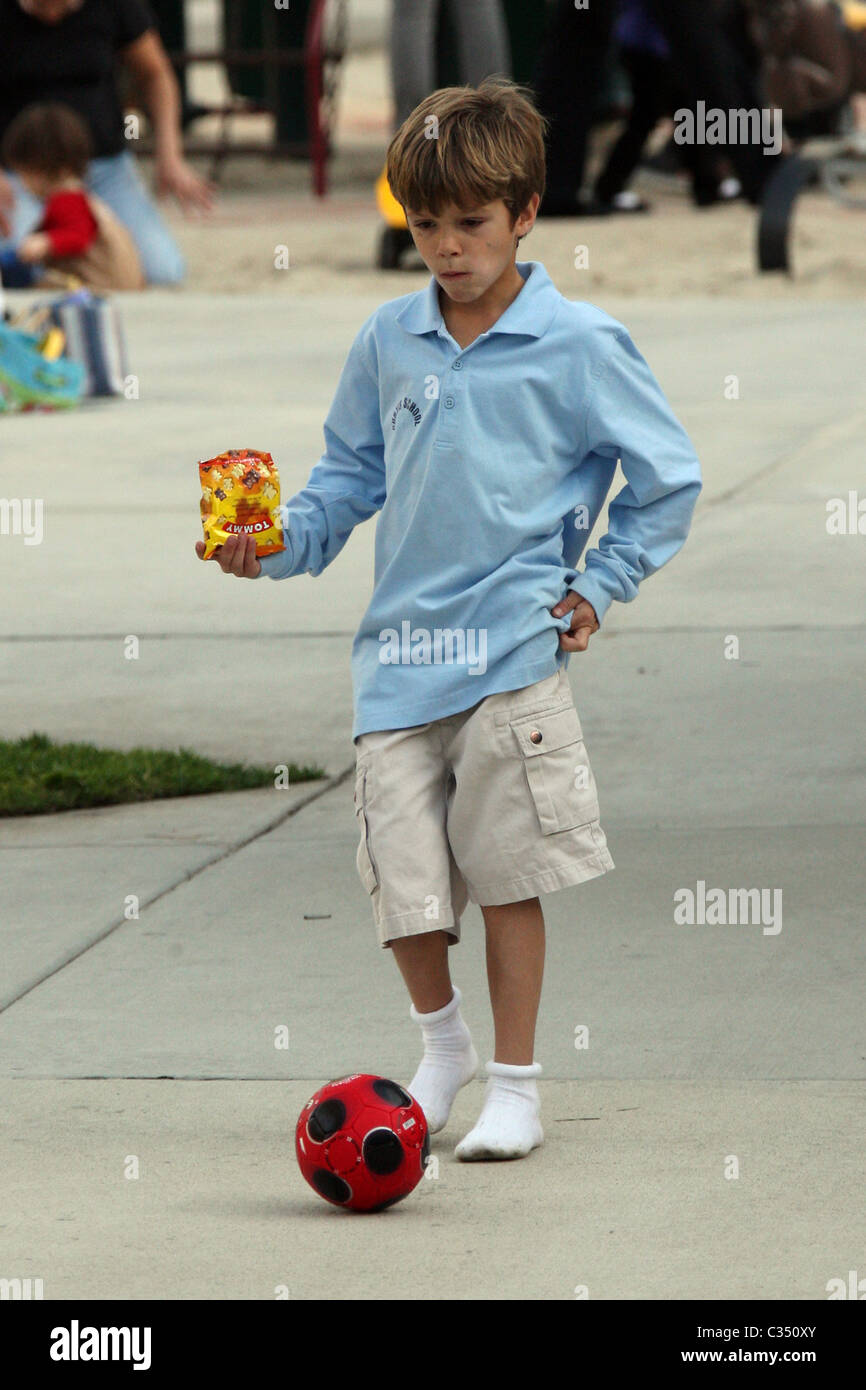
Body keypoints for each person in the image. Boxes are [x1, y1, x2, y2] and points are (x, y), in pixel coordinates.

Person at [196, 79, 702, 1161]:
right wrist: (275, 543)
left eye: (470, 222)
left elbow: (666, 479)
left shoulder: (579, 342)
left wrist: (598, 583)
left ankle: (515, 1083)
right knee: (405, 889)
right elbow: (343, 482)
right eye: (423, 223)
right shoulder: (389, 338)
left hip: (511, 654)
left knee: (510, 873)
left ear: (524, 213)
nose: (445, 245)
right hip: (396, 661)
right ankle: (443, 1049)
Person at [0, 0, 214, 286]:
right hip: (21, 174)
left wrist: (170, 155)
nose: (52, 17)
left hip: (103, 168)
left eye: (64, 6)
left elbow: (155, 73)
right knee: (19, 265)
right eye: (40, 7)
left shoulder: (114, 6)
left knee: (163, 273)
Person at [0, 102, 144, 289]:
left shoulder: (66, 199)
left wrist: (46, 242)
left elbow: (79, 235)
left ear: (40, 169)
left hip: (97, 281)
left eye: (23, 174)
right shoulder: (79, 195)